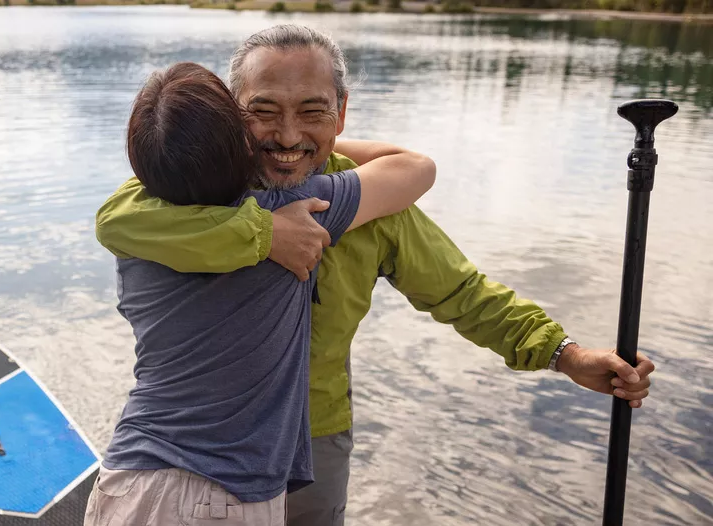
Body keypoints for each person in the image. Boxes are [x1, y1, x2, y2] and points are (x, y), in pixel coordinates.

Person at [93, 25, 657, 526]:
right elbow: (116, 218)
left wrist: (564, 353)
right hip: (200, 453)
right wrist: (266, 231)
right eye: (263, 112)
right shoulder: (184, 191)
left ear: (342, 112)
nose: (287, 136)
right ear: (230, 115)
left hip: (318, 437)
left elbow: (462, 292)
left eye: (313, 112)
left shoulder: (366, 200)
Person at [84, 61, 436, 526]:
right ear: (238, 138)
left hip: (125, 480)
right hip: (224, 497)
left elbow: (111, 215)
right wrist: (311, 143)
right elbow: (416, 169)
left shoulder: (139, 234)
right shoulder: (299, 209)